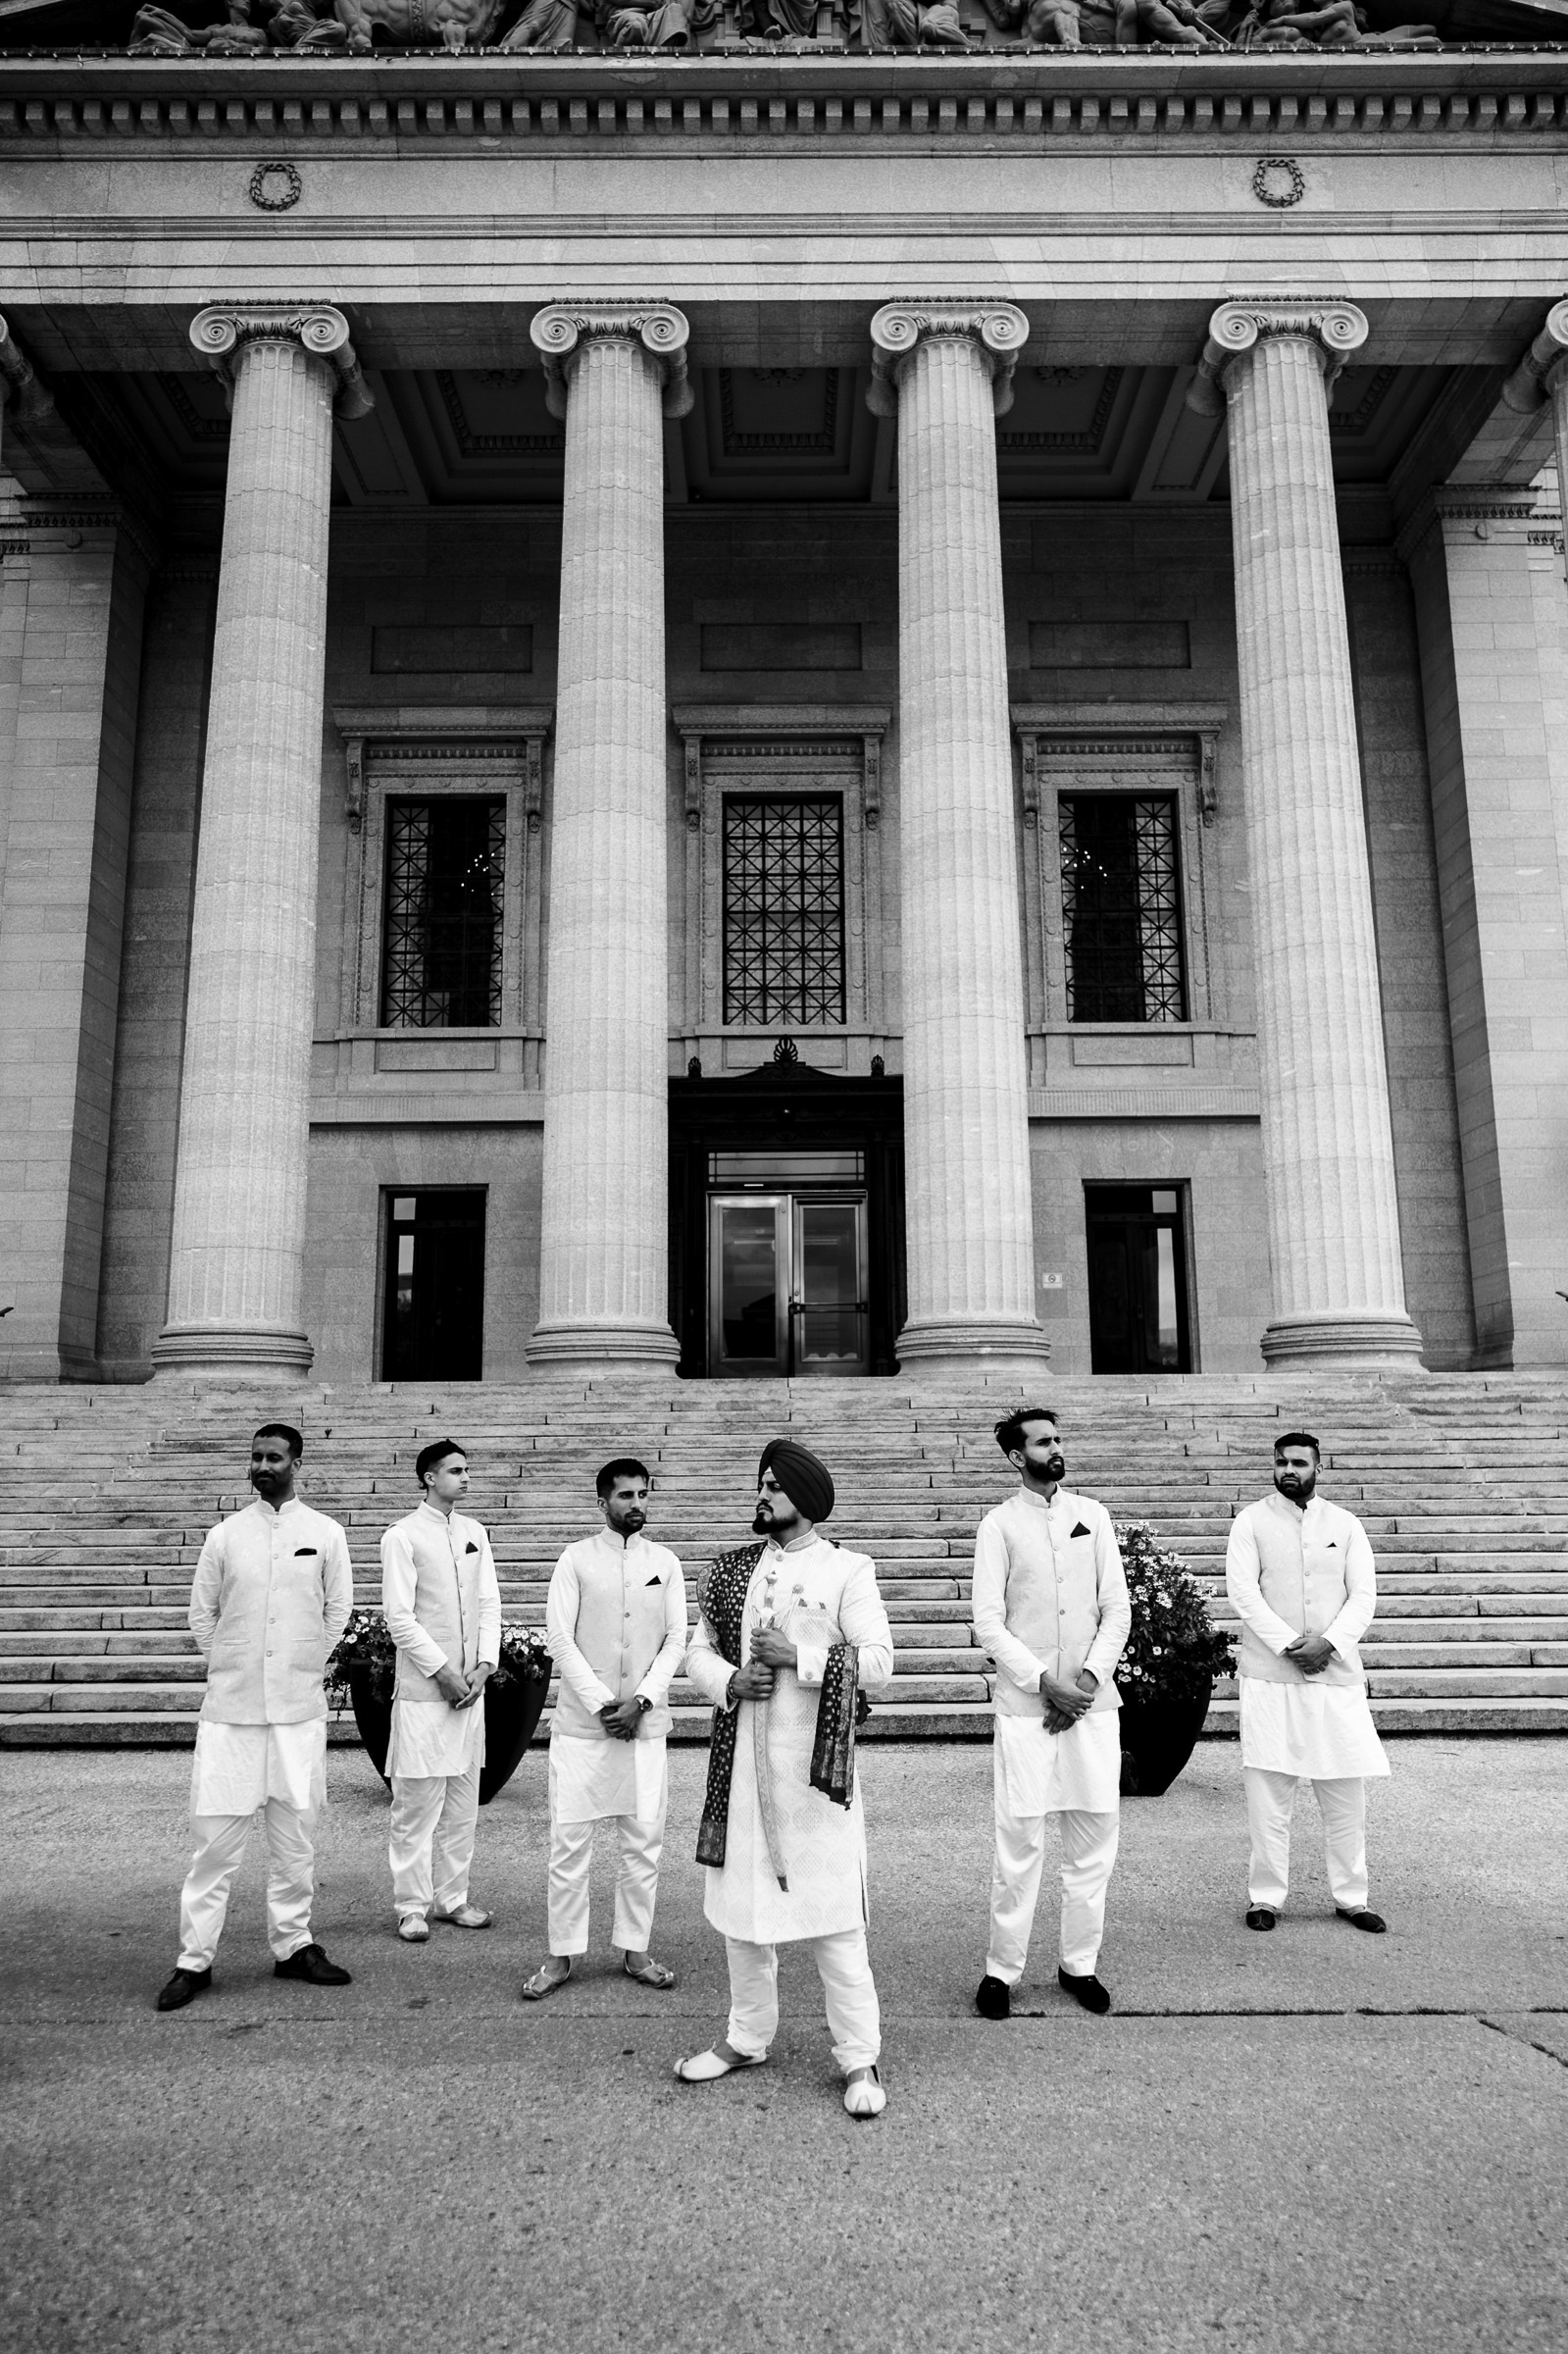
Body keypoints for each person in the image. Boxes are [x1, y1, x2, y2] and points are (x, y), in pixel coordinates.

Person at [678, 1439, 894, 2120]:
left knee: (835, 1927)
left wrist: (797, 1656)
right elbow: (697, 1650)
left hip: (816, 1779)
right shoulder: (731, 1571)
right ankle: (747, 2038)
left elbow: (879, 1664)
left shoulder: (847, 1570)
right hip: (742, 1770)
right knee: (744, 1921)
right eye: (761, 1483)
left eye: (774, 1485)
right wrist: (727, 1678)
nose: (762, 1494)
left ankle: (859, 2058)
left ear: (805, 1497)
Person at [156, 1424, 354, 2012]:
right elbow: (202, 1614)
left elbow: (338, 1606)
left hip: (296, 1713)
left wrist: (305, 1661)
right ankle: (194, 1961)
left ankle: (294, 1946)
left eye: (274, 1457)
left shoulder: (324, 1532)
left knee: (296, 1839)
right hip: (231, 1715)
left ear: (297, 1464)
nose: (263, 1466)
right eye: (256, 1457)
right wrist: (228, 1664)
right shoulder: (225, 1535)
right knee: (214, 1845)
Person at [971, 1407, 1132, 2022]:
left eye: (1059, 1437)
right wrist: (1045, 1685)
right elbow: (989, 1621)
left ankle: (1079, 1964)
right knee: (1019, 1845)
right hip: (1025, 1710)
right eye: (1043, 1441)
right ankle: (1001, 1970)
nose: (1056, 1448)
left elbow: (1116, 1608)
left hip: (1093, 1705)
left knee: (1093, 1842)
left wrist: (1086, 1682)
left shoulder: (1094, 1516)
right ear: (1018, 1457)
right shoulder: (998, 1525)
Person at [522, 1458, 687, 1999]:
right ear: (602, 1501)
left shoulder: (665, 1561)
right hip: (581, 1729)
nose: (636, 1504)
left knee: (643, 1846)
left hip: (644, 1727)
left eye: (643, 1495)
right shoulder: (575, 1559)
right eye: (624, 1496)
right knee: (569, 1847)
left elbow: (676, 1640)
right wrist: (602, 1705)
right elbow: (558, 1638)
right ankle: (561, 1955)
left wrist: (639, 1701)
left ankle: (636, 1949)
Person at [1225, 1431, 1391, 1934]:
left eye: (1299, 1462)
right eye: (1281, 1462)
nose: (1289, 1470)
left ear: (1320, 1467)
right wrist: (1292, 1647)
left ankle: (1352, 1897)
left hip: (1335, 1677)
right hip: (1270, 1677)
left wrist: (1329, 1644)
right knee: (1269, 1795)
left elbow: (1363, 1596)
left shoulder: (1346, 1524)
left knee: (1344, 1793)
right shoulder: (1250, 1521)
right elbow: (1243, 1594)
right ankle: (1266, 1897)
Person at [380, 1438, 501, 1942]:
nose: (466, 1477)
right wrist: (443, 1672)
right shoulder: (402, 1536)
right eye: (456, 1470)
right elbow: (399, 1618)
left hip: (471, 1692)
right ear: (430, 1478)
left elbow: (489, 1601)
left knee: (462, 1801)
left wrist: (484, 1665)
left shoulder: (474, 1531)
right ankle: (411, 1905)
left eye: (467, 1469)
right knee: (416, 1805)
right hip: (425, 1694)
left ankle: (453, 1898)